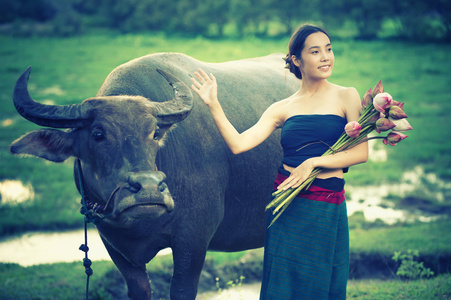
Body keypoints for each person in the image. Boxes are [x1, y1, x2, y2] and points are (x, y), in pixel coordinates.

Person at [191, 24, 368, 300]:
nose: (326, 57)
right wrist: (214, 104)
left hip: (326, 207)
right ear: (297, 60)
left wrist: (313, 163)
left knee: (322, 283)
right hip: (287, 206)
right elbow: (239, 144)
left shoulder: (347, 95)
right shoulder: (282, 107)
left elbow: (360, 153)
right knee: (283, 286)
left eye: (329, 49)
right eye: (315, 51)